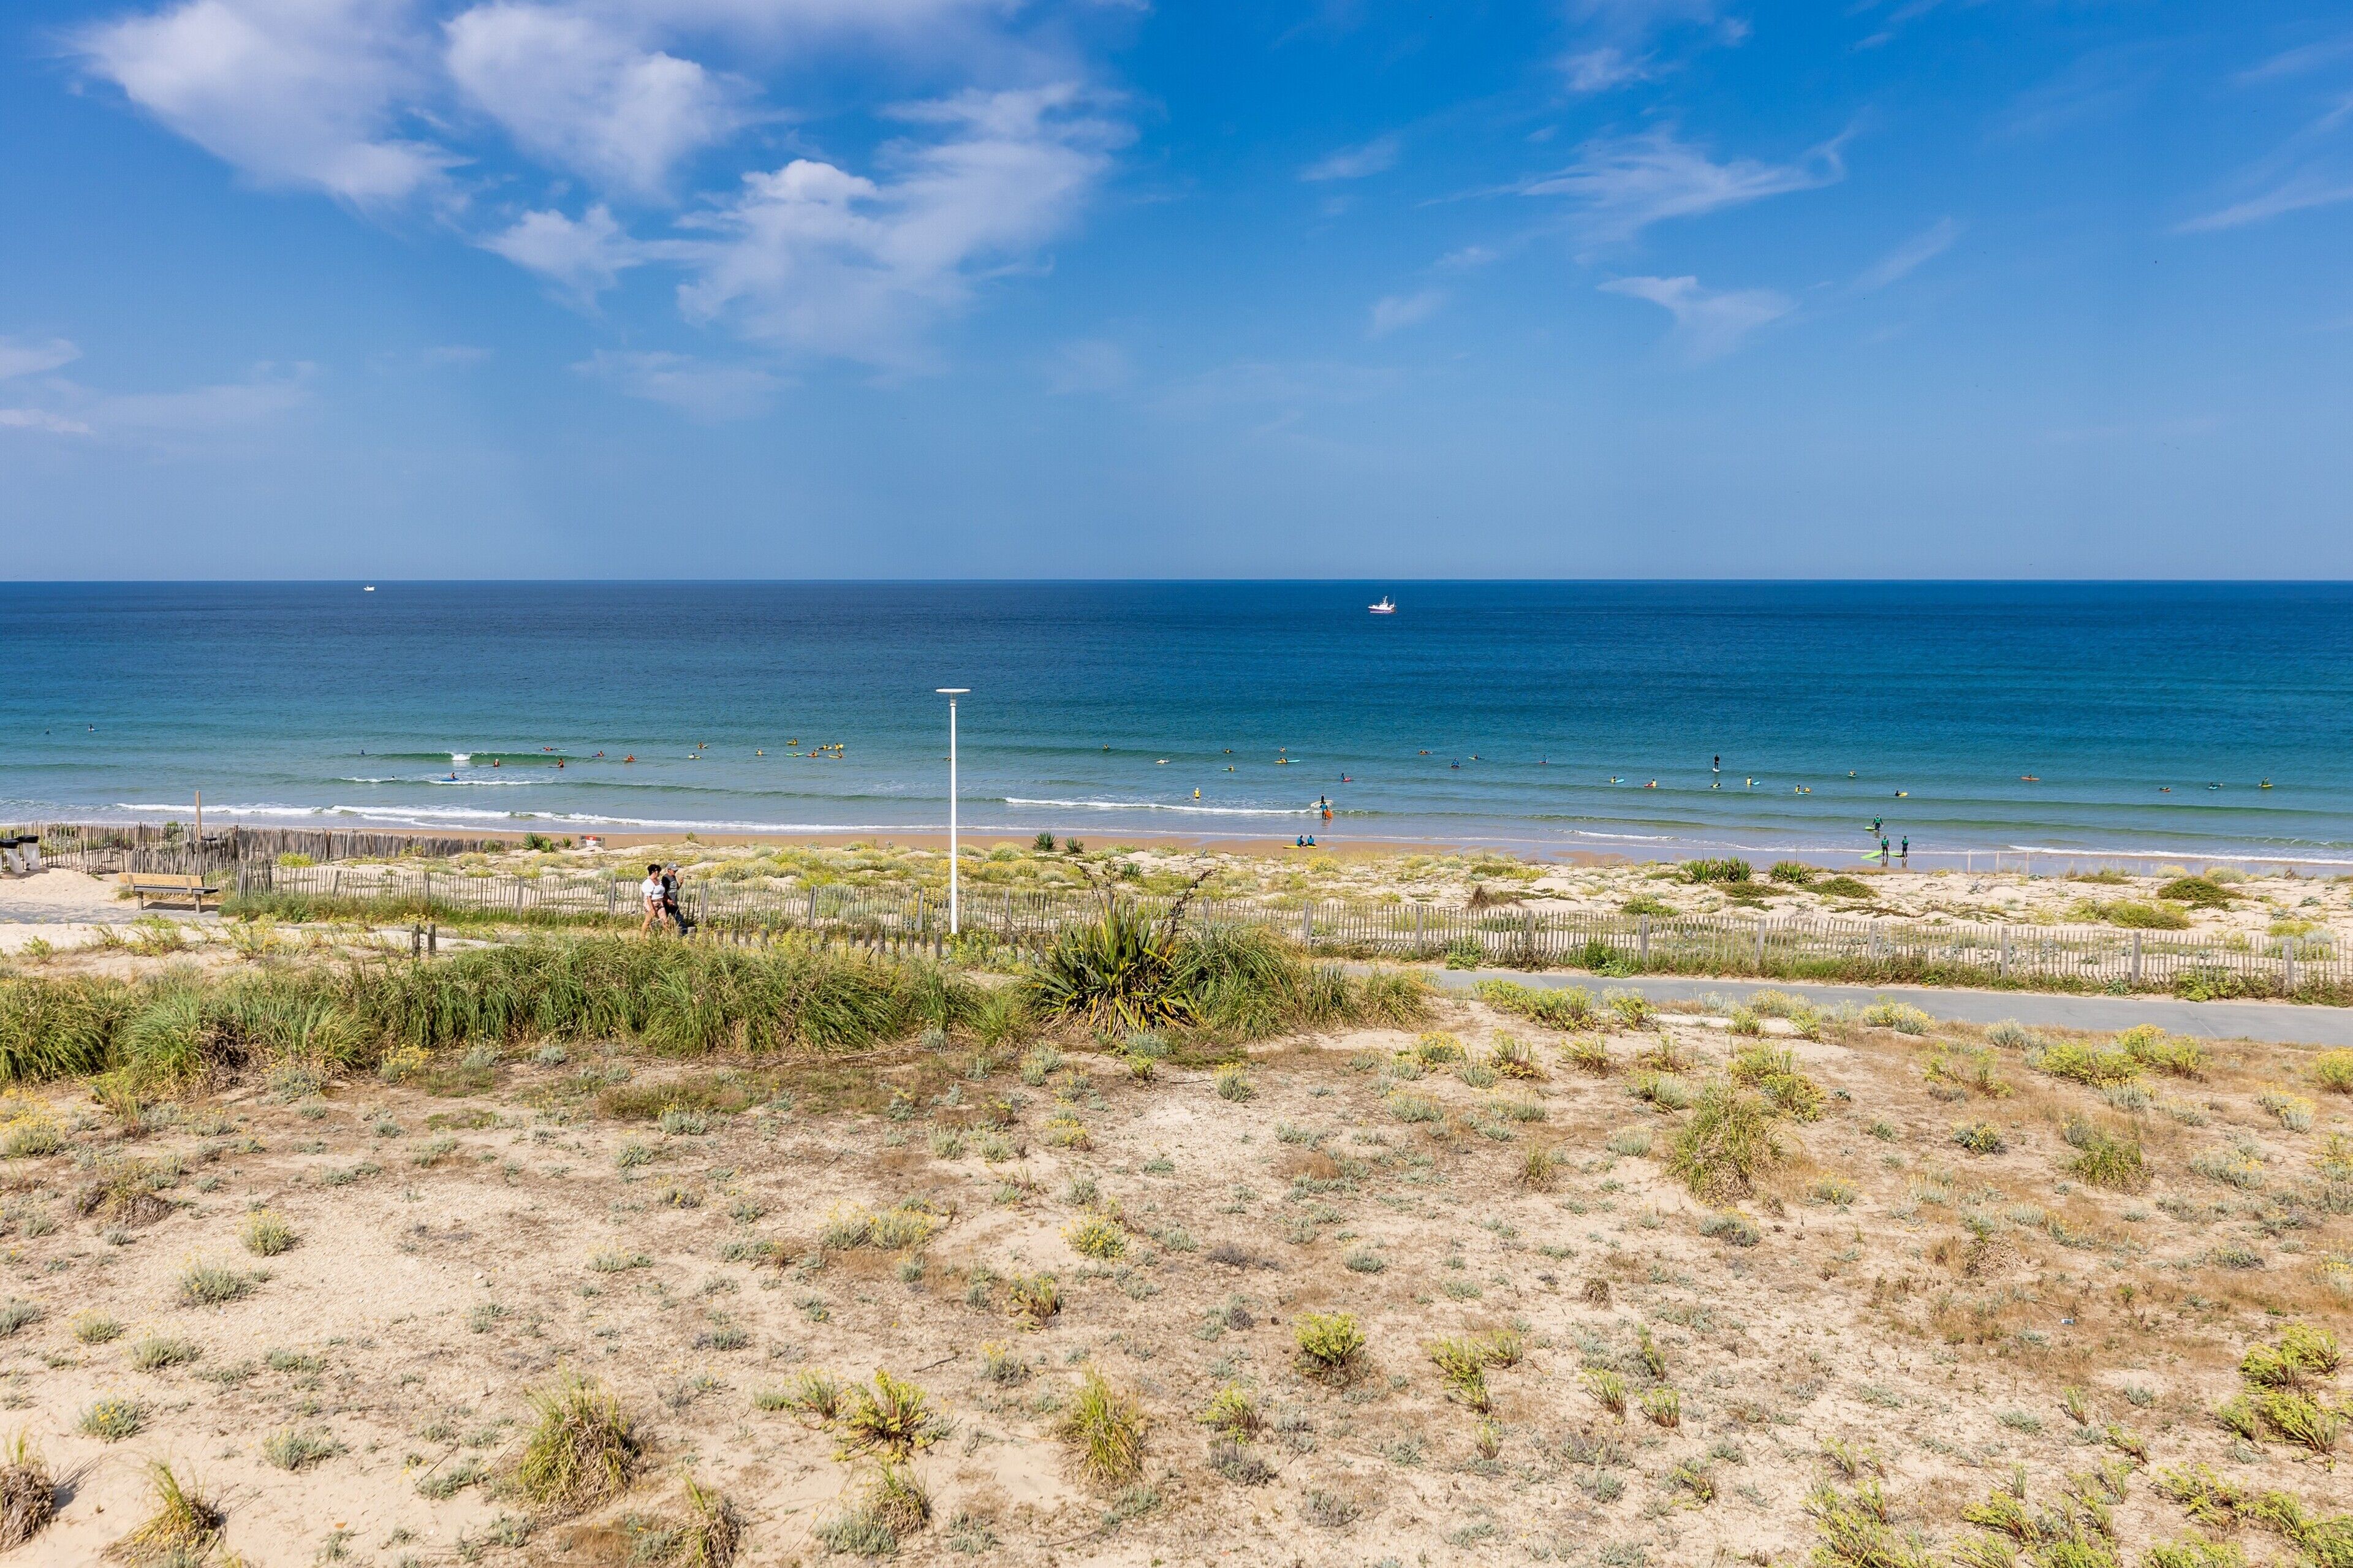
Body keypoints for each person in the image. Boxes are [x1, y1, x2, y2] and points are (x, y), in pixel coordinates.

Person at [661, 863, 693, 936]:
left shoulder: (674, 877)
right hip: (667, 904)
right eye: (674, 871)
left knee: (679, 919)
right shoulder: (665, 878)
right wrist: (667, 900)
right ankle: (658, 933)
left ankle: (683, 934)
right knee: (664, 920)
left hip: (674, 903)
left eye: (676, 871)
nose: (675, 872)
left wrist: (681, 883)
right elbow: (663, 891)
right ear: (669, 870)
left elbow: (676, 889)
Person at [639, 863, 666, 934]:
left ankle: (668, 937)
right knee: (648, 921)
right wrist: (652, 908)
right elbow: (648, 896)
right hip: (652, 903)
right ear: (655, 871)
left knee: (665, 920)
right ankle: (642, 937)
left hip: (660, 903)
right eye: (658, 872)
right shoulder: (648, 882)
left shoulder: (659, 881)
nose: (659, 873)